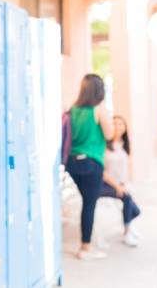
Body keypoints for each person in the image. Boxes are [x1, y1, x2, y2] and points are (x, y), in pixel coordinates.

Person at [66, 74, 114, 260]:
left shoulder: (73, 109)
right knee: (89, 204)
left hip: (72, 163)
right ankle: (85, 247)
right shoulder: (99, 110)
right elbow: (109, 135)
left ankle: (87, 243)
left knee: (86, 202)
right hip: (91, 162)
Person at [101, 115, 141, 247]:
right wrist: (117, 186)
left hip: (120, 184)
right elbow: (103, 172)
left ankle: (127, 223)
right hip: (106, 184)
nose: (117, 126)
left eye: (120, 124)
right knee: (127, 199)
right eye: (115, 124)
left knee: (136, 210)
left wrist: (124, 184)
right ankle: (127, 232)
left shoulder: (125, 145)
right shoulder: (104, 145)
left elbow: (124, 169)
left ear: (125, 128)